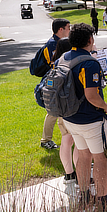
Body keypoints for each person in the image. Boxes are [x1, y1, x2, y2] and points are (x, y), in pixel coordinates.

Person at [62, 23, 107, 212]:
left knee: (83, 156)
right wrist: (106, 107)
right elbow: (91, 95)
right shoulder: (89, 63)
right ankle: (103, 202)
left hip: (71, 118)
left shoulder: (64, 57)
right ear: (90, 40)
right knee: (101, 159)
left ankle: (85, 196)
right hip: (91, 120)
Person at [36, 18, 70, 150]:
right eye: (68, 27)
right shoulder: (52, 44)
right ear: (60, 29)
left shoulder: (59, 42)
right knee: (54, 112)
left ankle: (64, 139)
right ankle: (47, 140)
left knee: (57, 113)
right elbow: (54, 64)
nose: (69, 30)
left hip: (59, 82)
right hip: (55, 83)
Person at [50, 37, 78, 182]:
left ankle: (69, 174)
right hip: (71, 107)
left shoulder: (56, 63)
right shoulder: (70, 63)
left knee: (66, 140)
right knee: (79, 141)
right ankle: (80, 173)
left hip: (60, 107)